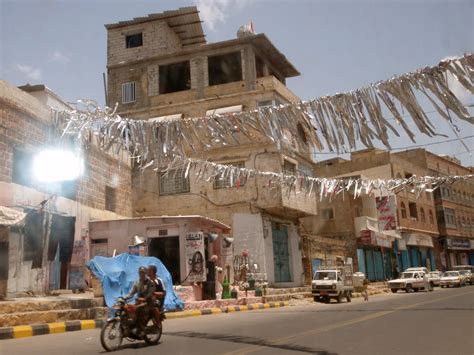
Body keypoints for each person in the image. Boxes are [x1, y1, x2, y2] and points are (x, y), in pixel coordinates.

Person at [123, 266, 156, 337]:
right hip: (139, 302)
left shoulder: (150, 282)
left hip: (148, 302)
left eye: (143, 272)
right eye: (140, 272)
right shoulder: (137, 282)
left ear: (145, 273)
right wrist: (124, 298)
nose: (141, 274)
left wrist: (145, 298)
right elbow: (131, 293)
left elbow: (151, 292)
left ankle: (142, 329)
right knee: (128, 309)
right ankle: (131, 327)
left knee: (138, 310)